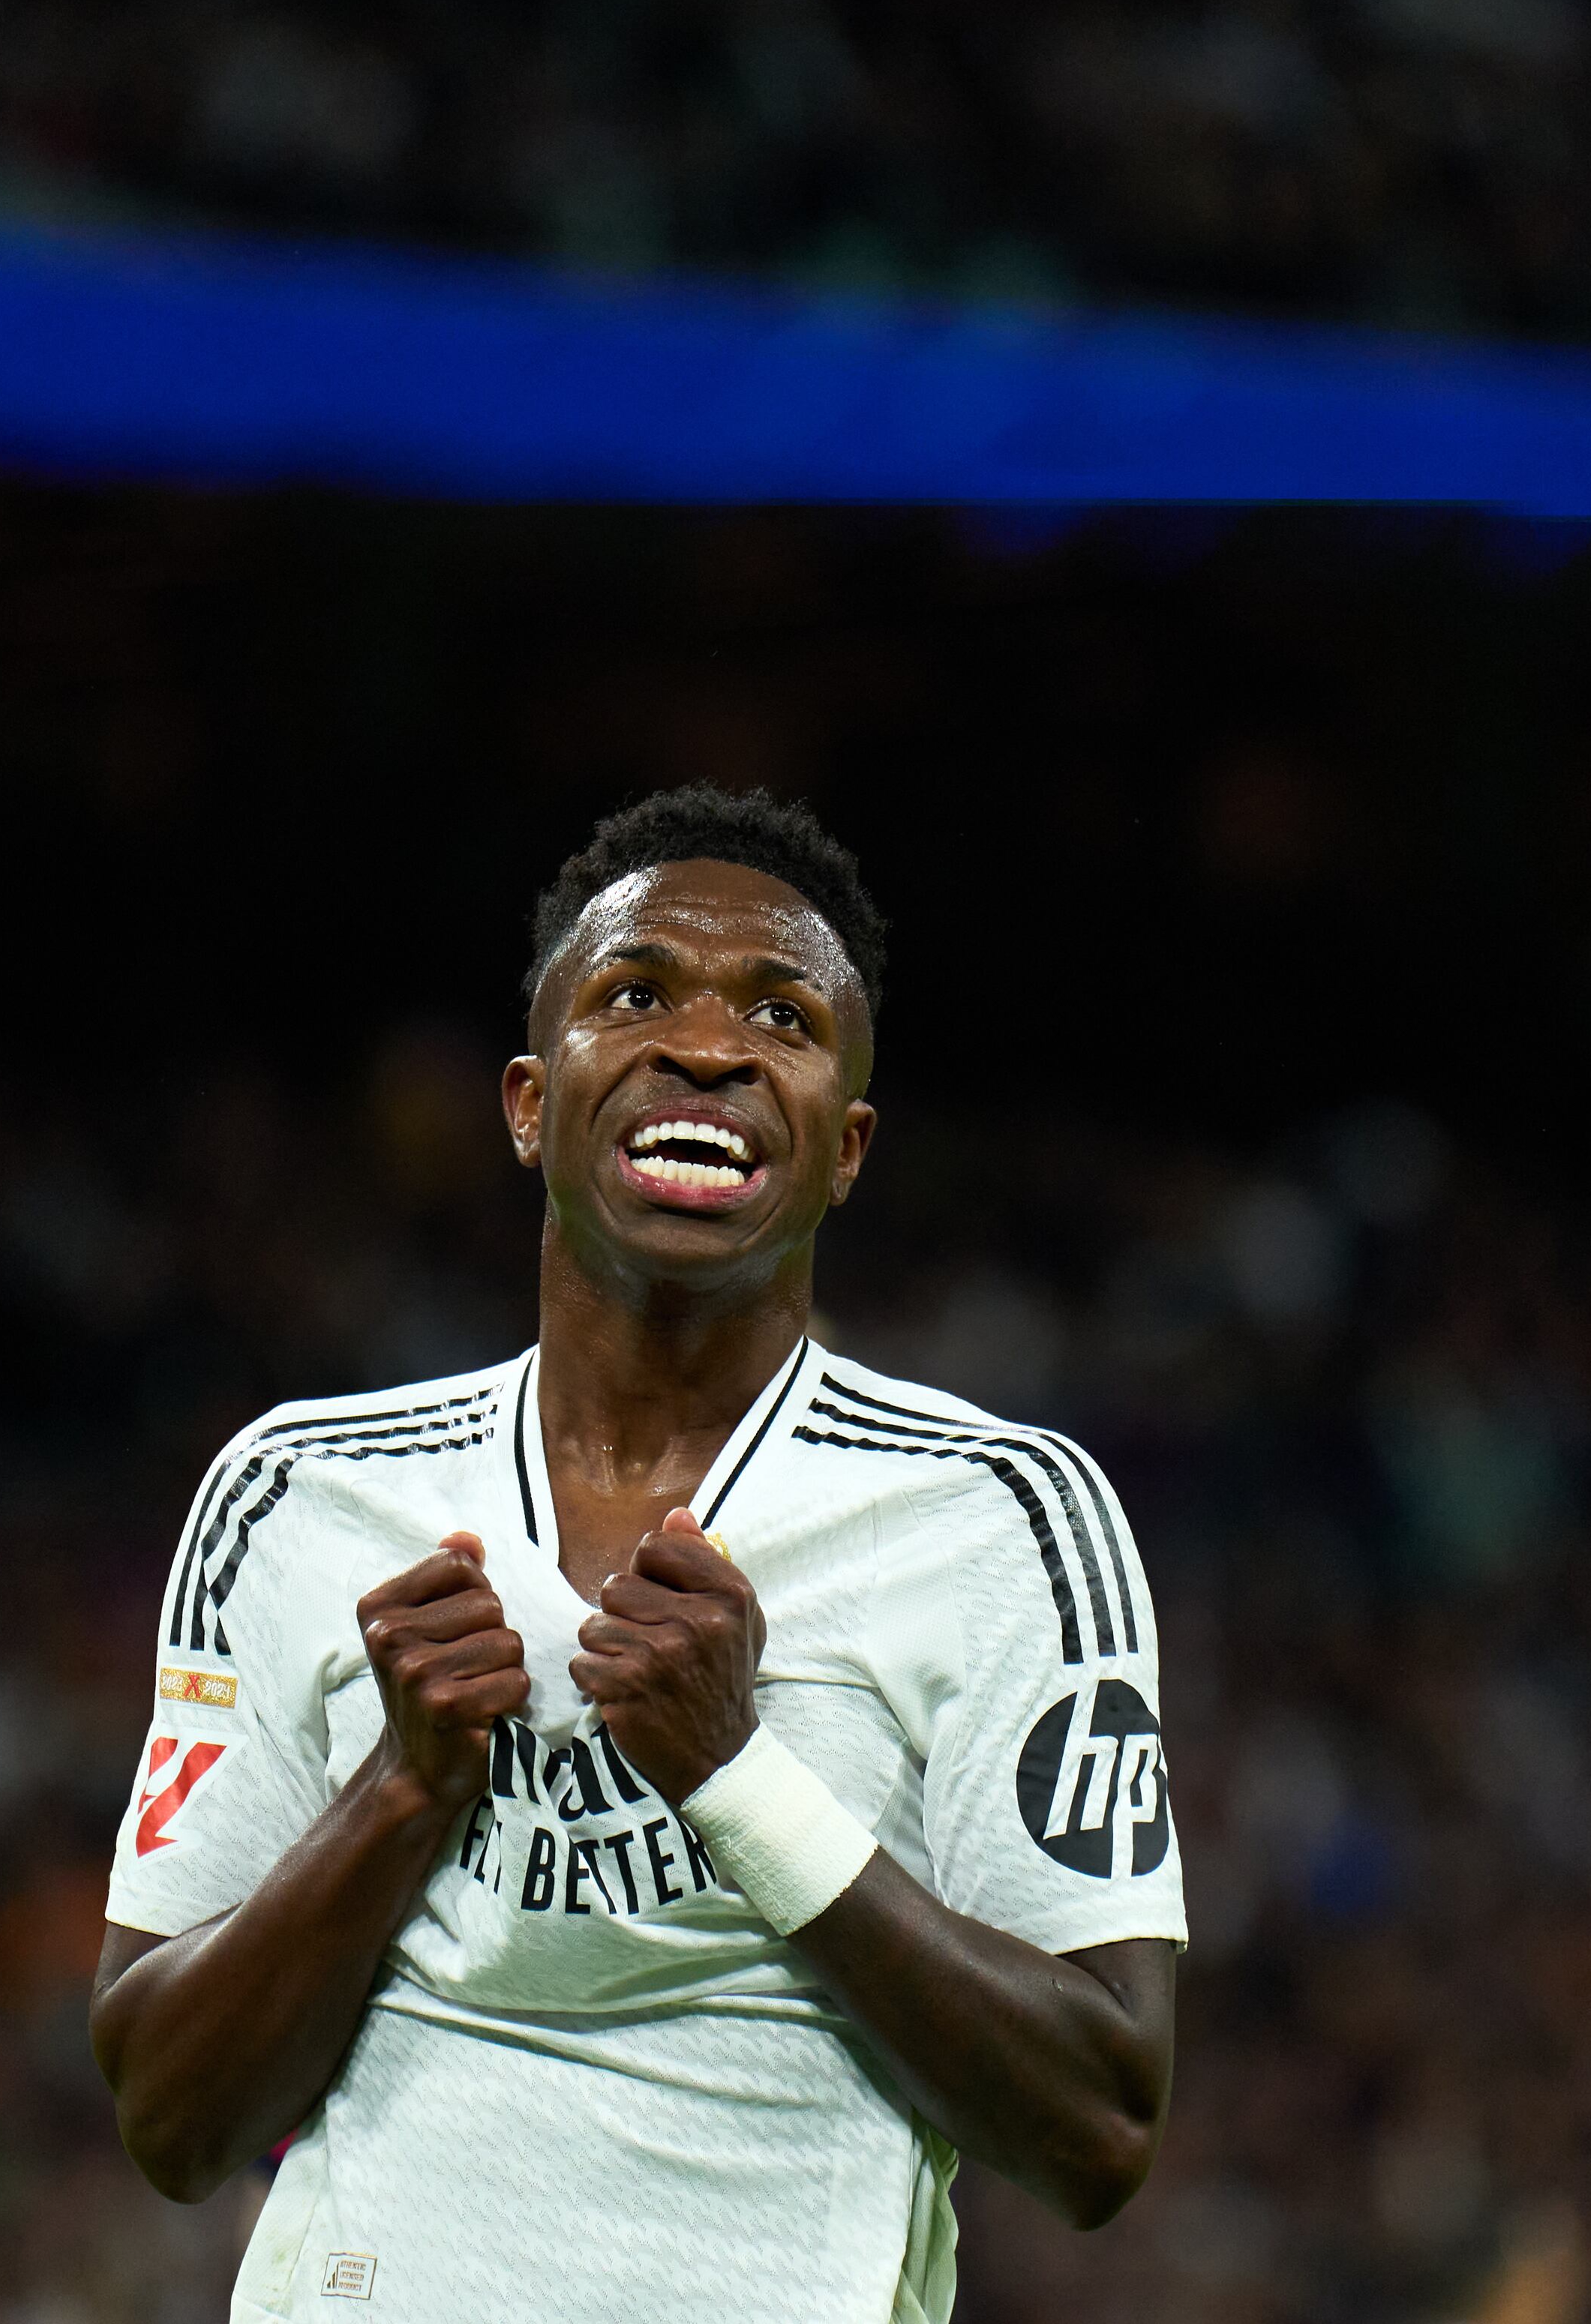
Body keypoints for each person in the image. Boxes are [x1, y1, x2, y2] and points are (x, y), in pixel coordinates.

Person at [89, 785, 1183, 2323]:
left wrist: (738, 1775)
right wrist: (399, 1790)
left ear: (846, 1146)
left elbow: (1099, 2123)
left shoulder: (996, 1513)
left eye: (783, 1016)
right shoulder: (296, 1492)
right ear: (532, 1102)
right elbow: (170, 2113)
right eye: (636, 991)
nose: (712, 1045)